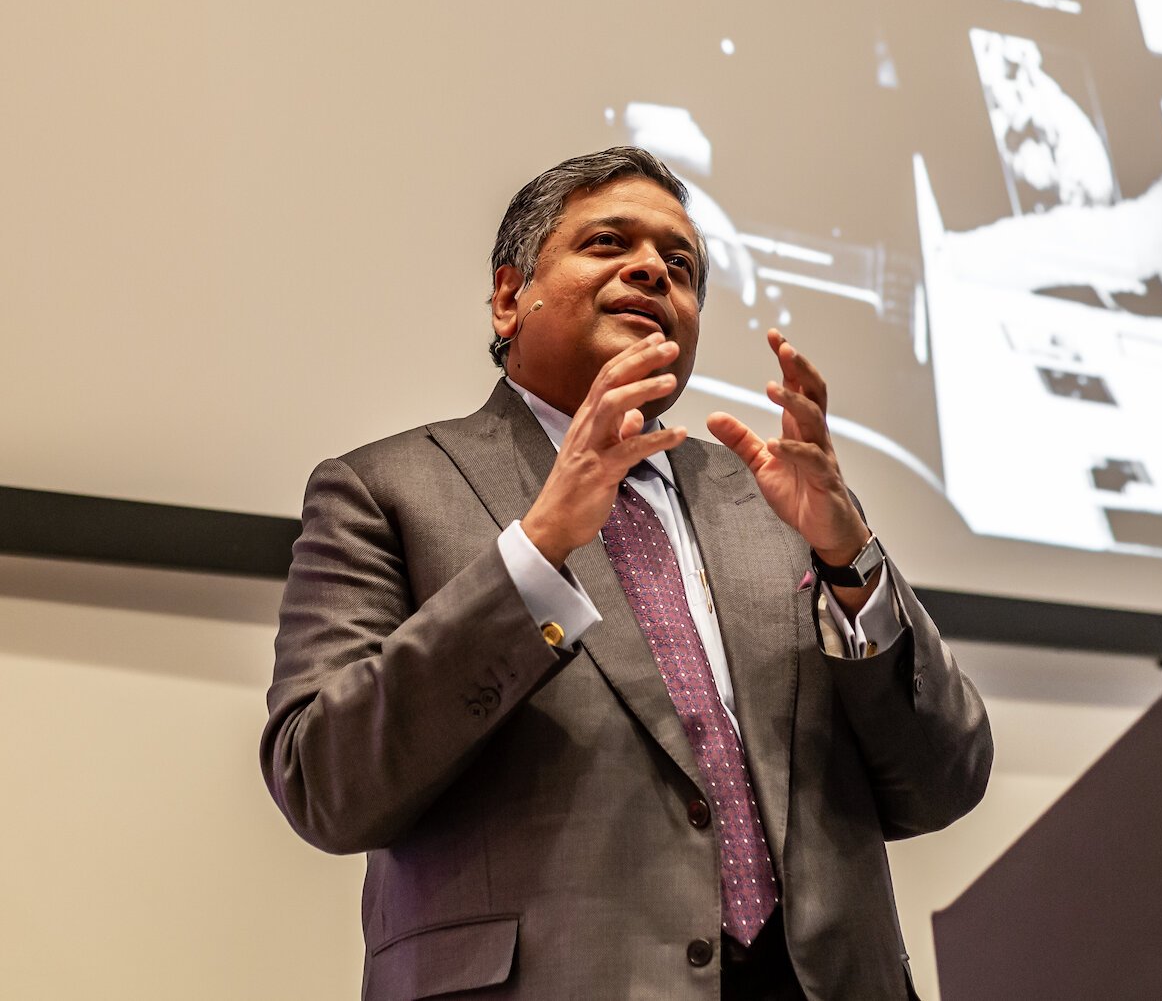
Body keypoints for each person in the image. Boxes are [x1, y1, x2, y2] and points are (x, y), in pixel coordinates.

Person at [261, 146, 992, 1000]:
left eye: (680, 266)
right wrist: (535, 553)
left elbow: (944, 780)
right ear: (509, 297)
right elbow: (325, 783)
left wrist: (851, 559)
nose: (651, 270)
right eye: (608, 243)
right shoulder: (387, 489)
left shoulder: (780, 502)